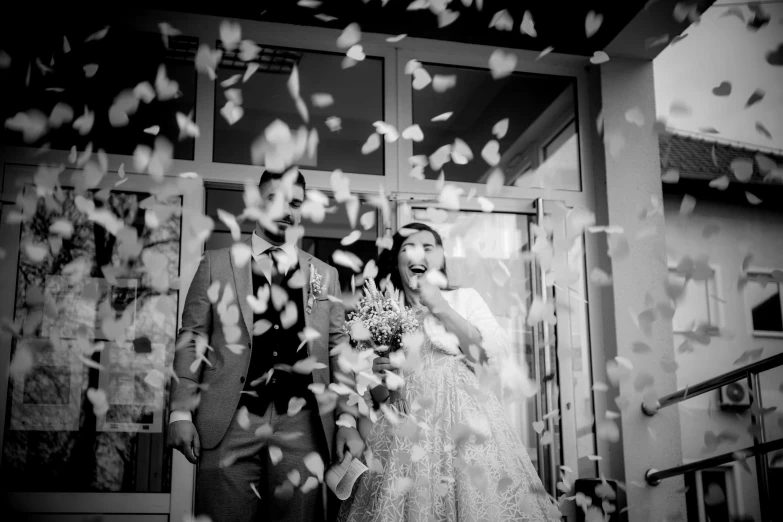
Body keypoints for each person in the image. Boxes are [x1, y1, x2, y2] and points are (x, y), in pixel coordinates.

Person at [168, 168, 365, 522]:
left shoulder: (325, 274)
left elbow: (339, 349)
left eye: (295, 203)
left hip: (303, 426)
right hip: (228, 421)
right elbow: (192, 338)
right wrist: (180, 412)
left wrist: (348, 419)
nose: (286, 211)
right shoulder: (215, 264)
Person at [337, 222, 560, 522]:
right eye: (408, 247)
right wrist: (383, 378)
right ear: (397, 260)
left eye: (427, 247)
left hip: (466, 436)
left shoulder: (464, 298)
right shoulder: (384, 315)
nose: (418, 253)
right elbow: (377, 398)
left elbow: (490, 355)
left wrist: (440, 307)